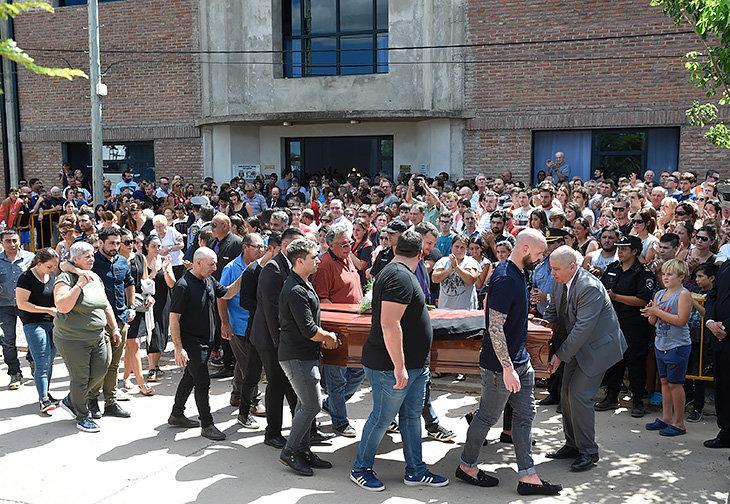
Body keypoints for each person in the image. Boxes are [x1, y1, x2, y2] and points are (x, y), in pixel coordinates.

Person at [457, 229, 561, 496]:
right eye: (538, 253)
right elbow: (494, 327)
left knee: (525, 415)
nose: (540, 258)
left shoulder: (518, 272)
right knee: (487, 416)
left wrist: (526, 320)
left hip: (519, 361)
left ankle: (528, 475)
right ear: (525, 249)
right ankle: (467, 466)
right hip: (501, 367)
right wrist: (507, 368)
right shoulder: (505, 278)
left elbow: (509, 316)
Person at [350, 230, 449, 492]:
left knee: (411, 417)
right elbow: (389, 323)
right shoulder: (398, 276)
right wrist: (399, 366)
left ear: (396, 248)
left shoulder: (399, 272)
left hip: (412, 365)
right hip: (391, 366)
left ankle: (416, 470)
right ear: (421, 254)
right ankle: (360, 468)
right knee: (382, 418)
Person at [540, 246, 627, 472]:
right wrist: (542, 327)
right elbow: (553, 311)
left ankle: (588, 451)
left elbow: (582, 329)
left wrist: (559, 356)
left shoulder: (589, 288)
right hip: (577, 347)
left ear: (572, 267)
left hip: (598, 349)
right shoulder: (560, 280)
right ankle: (572, 445)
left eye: (556, 269)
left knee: (579, 395)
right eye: (551, 268)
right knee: (565, 393)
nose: (552, 273)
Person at [278, 238, 339, 476]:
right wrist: (328, 337)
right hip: (297, 356)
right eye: (314, 257)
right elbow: (309, 329)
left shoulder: (303, 283)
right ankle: (290, 451)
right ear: (299, 261)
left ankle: (303, 450)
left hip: (304, 355)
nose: (318, 260)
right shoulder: (295, 289)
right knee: (312, 405)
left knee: (305, 404)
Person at [168, 247, 242, 441]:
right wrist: (178, 348)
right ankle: (207, 424)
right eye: (211, 264)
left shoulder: (208, 279)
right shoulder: (183, 286)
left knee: (189, 378)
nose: (215, 268)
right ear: (198, 263)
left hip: (207, 341)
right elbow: (174, 319)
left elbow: (227, 293)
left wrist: (247, 274)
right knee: (202, 382)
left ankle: (176, 414)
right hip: (192, 343)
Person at [61, 226, 136, 418]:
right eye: (111, 243)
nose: (115, 247)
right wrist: (76, 270)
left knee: (114, 365)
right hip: (98, 322)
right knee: (99, 366)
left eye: (118, 243)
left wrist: (132, 306)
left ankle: (111, 402)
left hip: (120, 319)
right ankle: (92, 400)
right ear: (101, 243)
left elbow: (129, 283)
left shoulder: (122, 261)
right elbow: (64, 265)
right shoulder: (91, 262)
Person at [54, 241, 121, 432]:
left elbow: (105, 304)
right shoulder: (66, 278)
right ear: (75, 259)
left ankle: (71, 399)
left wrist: (114, 328)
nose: (92, 259)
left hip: (98, 335)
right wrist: (80, 284)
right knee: (80, 378)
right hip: (73, 338)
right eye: (87, 256)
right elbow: (62, 306)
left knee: (101, 369)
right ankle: (82, 415)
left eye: (92, 255)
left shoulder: (95, 276)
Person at [250, 227, 305, 449]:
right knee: (276, 383)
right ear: (285, 245)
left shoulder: (293, 266)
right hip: (270, 338)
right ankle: (272, 432)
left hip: (283, 337)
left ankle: (303, 429)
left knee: (292, 384)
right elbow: (271, 310)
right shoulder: (273, 268)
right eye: (297, 245)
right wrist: (279, 342)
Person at [313, 223, 365, 438]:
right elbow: (322, 300)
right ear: (330, 244)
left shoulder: (348, 258)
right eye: (343, 244)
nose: (348, 247)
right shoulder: (325, 264)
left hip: (355, 327)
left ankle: (332, 404)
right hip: (337, 329)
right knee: (337, 379)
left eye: (350, 243)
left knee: (359, 371)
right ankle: (340, 422)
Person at [597, 235, 656, 418]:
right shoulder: (613, 268)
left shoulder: (643, 272)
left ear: (635, 251)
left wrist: (616, 297)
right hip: (613, 322)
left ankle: (637, 401)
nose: (620, 252)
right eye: (619, 248)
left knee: (635, 362)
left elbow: (643, 299)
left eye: (624, 248)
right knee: (614, 360)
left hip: (635, 324)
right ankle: (611, 396)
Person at [218, 232, 265, 429]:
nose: (261, 250)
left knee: (243, 361)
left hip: (255, 322)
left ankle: (237, 395)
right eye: (257, 247)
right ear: (245, 247)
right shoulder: (231, 268)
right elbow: (222, 296)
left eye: (263, 247)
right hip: (238, 324)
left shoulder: (261, 266)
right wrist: (225, 322)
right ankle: (253, 401)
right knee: (250, 366)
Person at [642, 259, 692, 437]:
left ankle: (679, 423)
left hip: (677, 345)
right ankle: (666, 417)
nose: (665, 277)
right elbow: (652, 322)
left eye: (670, 274)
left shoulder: (683, 294)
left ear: (681, 277)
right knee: (664, 382)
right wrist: (651, 312)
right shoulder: (659, 294)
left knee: (675, 384)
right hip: (661, 343)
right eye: (664, 274)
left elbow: (681, 320)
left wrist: (657, 312)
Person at [16, 248, 59, 413]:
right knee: (42, 362)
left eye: (54, 266)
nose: (53, 269)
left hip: (53, 323)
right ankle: (44, 399)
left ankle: (46, 392)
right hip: (33, 323)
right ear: (39, 263)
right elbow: (22, 304)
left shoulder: (52, 277)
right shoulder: (25, 278)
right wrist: (47, 310)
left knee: (50, 360)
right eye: (49, 266)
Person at [0, 229, 35, 390]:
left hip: (27, 304)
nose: (12, 244)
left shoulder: (30, 258)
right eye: (8, 241)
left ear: (19, 240)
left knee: (33, 337)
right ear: (2, 243)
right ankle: (14, 373)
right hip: (4, 306)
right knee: (8, 341)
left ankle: (34, 363)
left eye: (15, 240)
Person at [142, 234, 177, 382]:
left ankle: (155, 366)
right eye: (153, 246)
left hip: (163, 302)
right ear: (146, 247)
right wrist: (155, 272)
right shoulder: (142, 261)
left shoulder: (165, 262)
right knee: (153, 333)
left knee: (161, 333)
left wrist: (166, 269)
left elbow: (172, 284)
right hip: (148, 302)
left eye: (159, 246)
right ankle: (152, 368)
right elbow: (143, 283)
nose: (157, 249)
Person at [432, 235, 480, 310]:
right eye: (456, 247)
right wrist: (450, 269)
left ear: (466, 249)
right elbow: (435, 278)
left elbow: (471, 280)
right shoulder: (443, 261)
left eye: (462, 247)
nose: (459, 250)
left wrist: (456, 267)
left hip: (466, 310)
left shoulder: (471, 262)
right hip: (445, 309)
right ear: (451, 247)